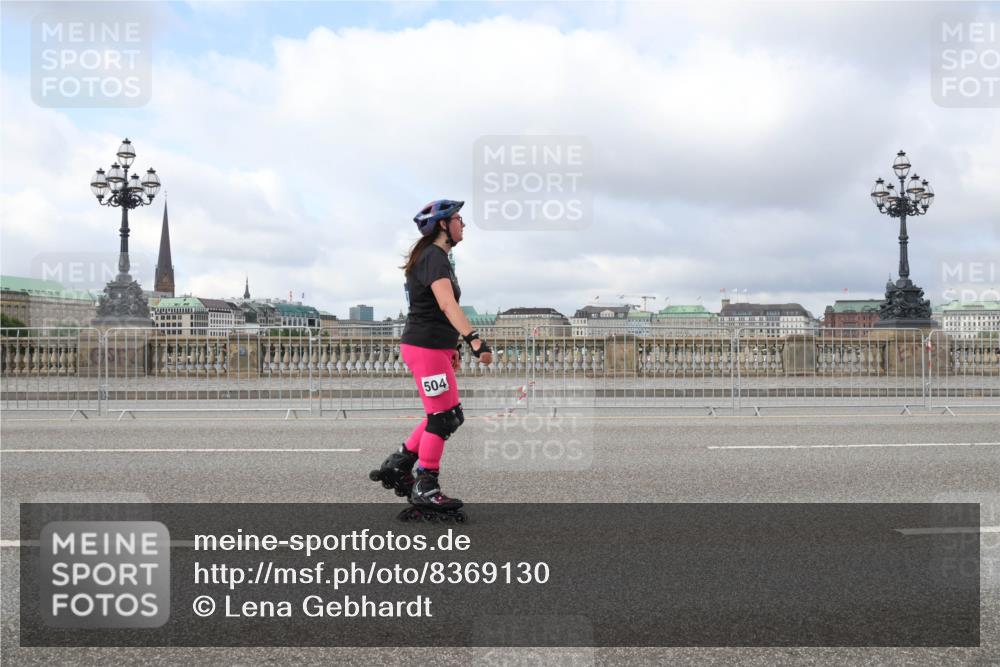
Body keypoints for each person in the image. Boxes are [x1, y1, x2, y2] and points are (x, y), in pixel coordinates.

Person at [369, 199, 492, 514]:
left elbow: (437, 312)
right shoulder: (434, 258)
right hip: (424, 347)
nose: (463, 224)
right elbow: (447, 306)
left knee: (447, 414)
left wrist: (452, 348)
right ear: (443, 225)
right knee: (443, 417)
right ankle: (426, 483)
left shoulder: (435, 258)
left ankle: (399, 464)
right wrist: (475, 341)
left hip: (432, 347)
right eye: (458, 219)